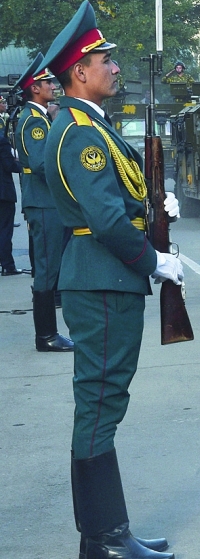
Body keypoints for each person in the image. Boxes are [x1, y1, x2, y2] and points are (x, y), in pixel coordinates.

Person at [41, 0, 182, 559]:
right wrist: (153, 260)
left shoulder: (89, 125)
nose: (115, 69)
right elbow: (101, 218)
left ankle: (108, 529)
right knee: (99, 405)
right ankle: (102, 538)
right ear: (80, 71)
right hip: (102, 280)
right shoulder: (79, 133)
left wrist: (153, 209)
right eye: (105, 60)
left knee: (104, 401)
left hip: (105, 279)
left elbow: (115, 199)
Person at [12, 53, 74, 349]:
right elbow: (40, 163)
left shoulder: (39, 117)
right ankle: (46, 335)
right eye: (47, 82)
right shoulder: (33, 121)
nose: (53, 85)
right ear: (34, 89)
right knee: (47, 269)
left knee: (51, 266)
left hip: (47, 202)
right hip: (44, 202)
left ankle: (49, 333)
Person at [0, 124, 21, 275]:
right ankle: (7, 265)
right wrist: (21, 164)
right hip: (3, 191)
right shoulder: (2, 140)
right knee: (5, 229)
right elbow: (8, 165)